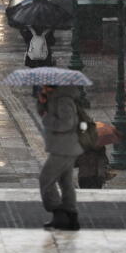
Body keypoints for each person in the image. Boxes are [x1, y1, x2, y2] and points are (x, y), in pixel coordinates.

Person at [36, 85, 83, 230]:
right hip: (64, 147)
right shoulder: (53, 98)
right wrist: (42, 102)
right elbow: (44, 113)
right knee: (66, 182)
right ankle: (71, 216)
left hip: (63, 148)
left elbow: (67, 123)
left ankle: (59, 213)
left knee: (46, 179)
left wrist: (47, 118)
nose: (41, 86)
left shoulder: (63, 100)